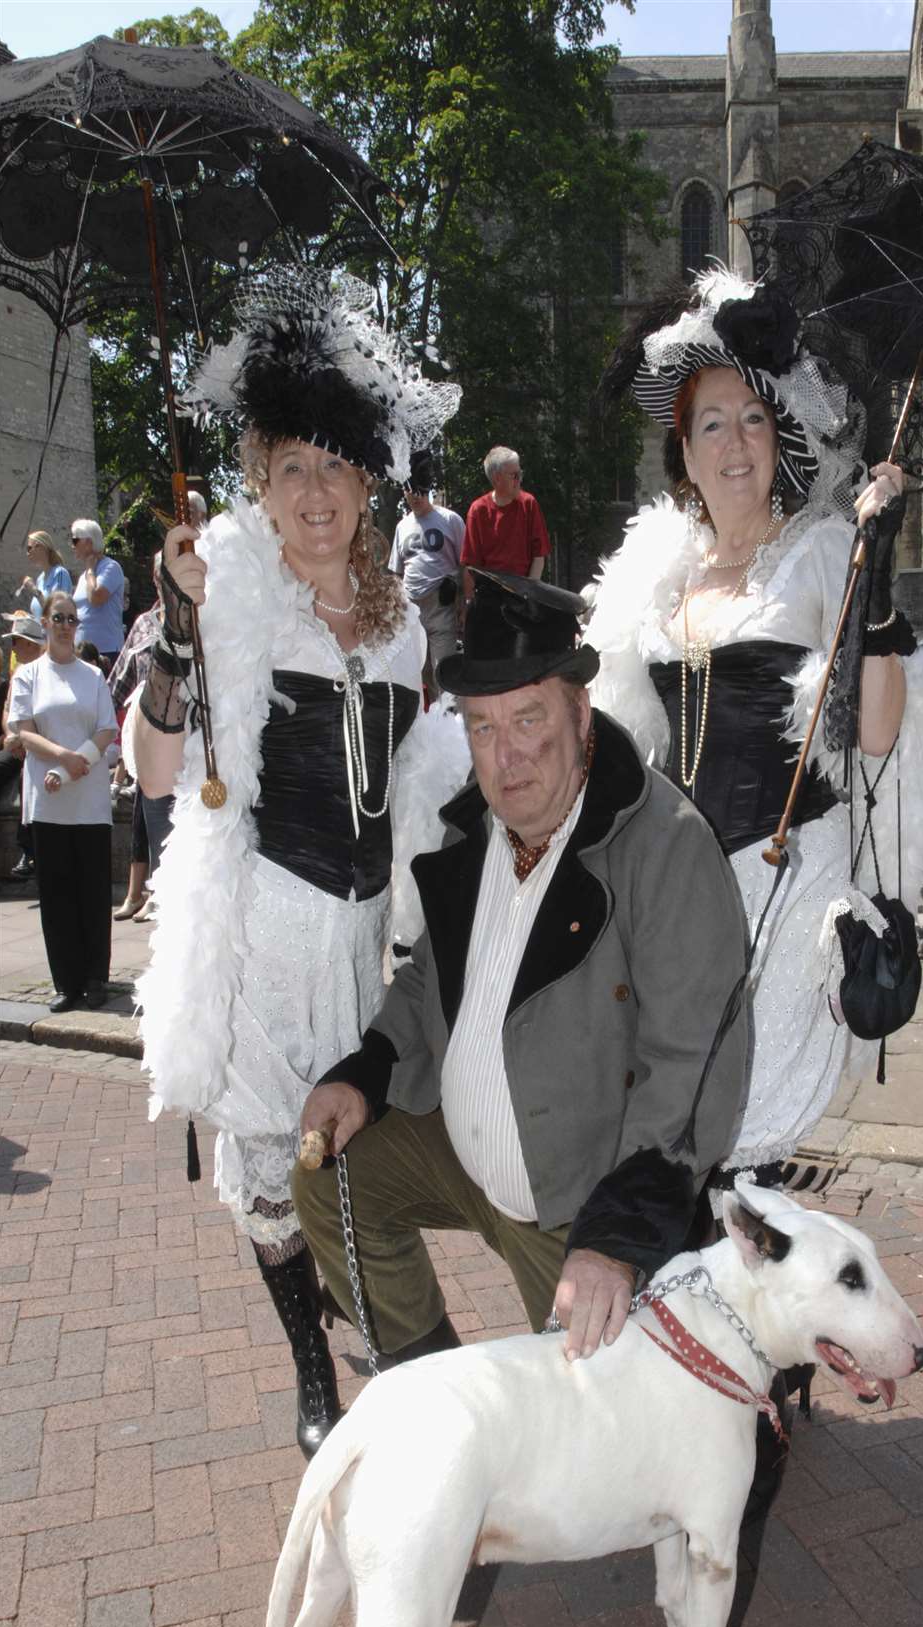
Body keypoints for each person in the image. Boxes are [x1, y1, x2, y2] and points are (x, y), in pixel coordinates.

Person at [133, 273, 468, 1459]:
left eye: (336, 467)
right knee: (272, 1162)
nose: (316, 493)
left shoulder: (401, 625)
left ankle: (377, 1342)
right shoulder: (225, 601)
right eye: (292, 470)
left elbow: (421, 776)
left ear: (369, 481)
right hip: (268, 926)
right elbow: (157, 765)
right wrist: (176, 626)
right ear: (260, 485)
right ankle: (311, 1373)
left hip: (367, 928)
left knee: (350, 1155)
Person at [293, 572, 749, 1368]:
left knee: (606, 1471)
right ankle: (430, 1387)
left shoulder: (665, 844)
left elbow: (694, 1065)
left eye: (528, 719)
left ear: (579, 712)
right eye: (481, 728)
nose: (505, 759)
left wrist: (615, 1236)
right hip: (471, 1166)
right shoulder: (478, 832)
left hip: (581, 1205)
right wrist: (364, 1075)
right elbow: (430, 979)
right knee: (330, 1178)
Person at [585, 266, 923, 1180]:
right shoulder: (660, 571)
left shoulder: (825, 553)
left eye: (752, 418)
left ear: (780, 432)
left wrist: (878, 571)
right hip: (677, 893)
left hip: (784, 878)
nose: (735, 443)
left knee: (741, 1143)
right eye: (712, 423)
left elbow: (873, 736)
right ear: (686, 446)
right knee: (672, 1139)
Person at [5, 591, 117, 1010]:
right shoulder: (29, 675)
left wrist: (76, 764)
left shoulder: (92, 675)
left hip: (88, 803)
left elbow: (106, 730)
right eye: (59, 618)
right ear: (46, 623)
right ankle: (66, 983)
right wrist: (61, 757)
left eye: (72, 619)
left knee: (91, 891)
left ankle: (95, 979)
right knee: (57, 894)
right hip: (48, 802)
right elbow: (23, 730)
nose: (67, 626)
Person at [108, 579, 167, 922]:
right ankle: (143, 892)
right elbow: (120, 679)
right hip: (146, 735)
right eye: (161, 574)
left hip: (187, 739)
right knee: (145, 814)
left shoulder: (202, 616)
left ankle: (159, 894)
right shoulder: (144, 622)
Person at [388, 457, 465, 694]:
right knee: (418, 677)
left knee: (443, 673)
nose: (415, 497)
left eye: (420, 491)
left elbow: (466, 565)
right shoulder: (402, 527)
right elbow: (396, 574)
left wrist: (464, 602)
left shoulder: (451, 520)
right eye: (410, 492)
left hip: (442, 605)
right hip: (411, 608)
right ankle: (424, 727)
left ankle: (450, 727)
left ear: (428, 490)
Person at [461, 446, 550, 596]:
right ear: (497, 478)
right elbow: (471, 567)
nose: (519, 479)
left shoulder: (528, 503)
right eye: (514, 475)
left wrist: (528, 594)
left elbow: (539, 556)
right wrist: (467, 603)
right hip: (489, 596)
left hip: (523, 592)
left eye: (520, 474)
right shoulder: (478, 510)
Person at [0, 611, 46, 880]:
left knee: (27, 780)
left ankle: (28, 852)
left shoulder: (44, 673)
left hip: (36, 745)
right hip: (16, 744)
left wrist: (25, 740)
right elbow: (7, 711)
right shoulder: (17, 675)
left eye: (16, 641)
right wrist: (9, 736)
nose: (12, 646)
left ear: (30, 644)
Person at [71, 520, 126, 671]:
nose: (72, 546)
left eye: (75, 540)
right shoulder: (84, 576)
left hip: (105, 652)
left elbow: (95, 597)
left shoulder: (111, 567)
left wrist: (90, 570)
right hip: (82, 652)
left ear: (88, 542)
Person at [17, 530, 72, 621]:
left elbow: (57, 614)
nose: (27, 553)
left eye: (29, 548)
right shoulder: (40, 578)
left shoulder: (60, 573)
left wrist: (34, 590)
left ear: (41, 547)